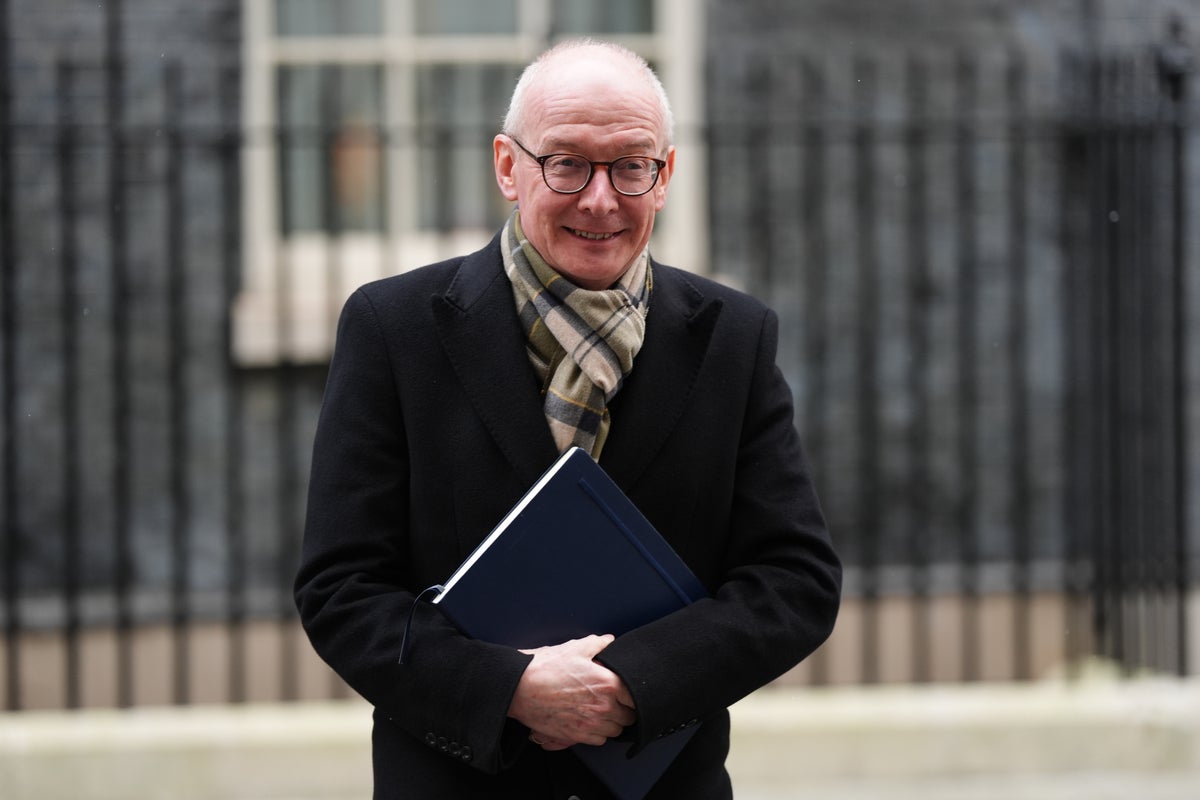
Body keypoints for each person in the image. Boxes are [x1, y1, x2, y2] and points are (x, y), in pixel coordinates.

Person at [295, 39, 842, 800]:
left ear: (665, 175)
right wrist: (510, 689)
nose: (600, 199)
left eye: (630, 166)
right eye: (567, 164)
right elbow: (342, 588)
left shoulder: (733, 338)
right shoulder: (395, 329)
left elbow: (795, 581)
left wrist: (630, 683)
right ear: (507, 167)